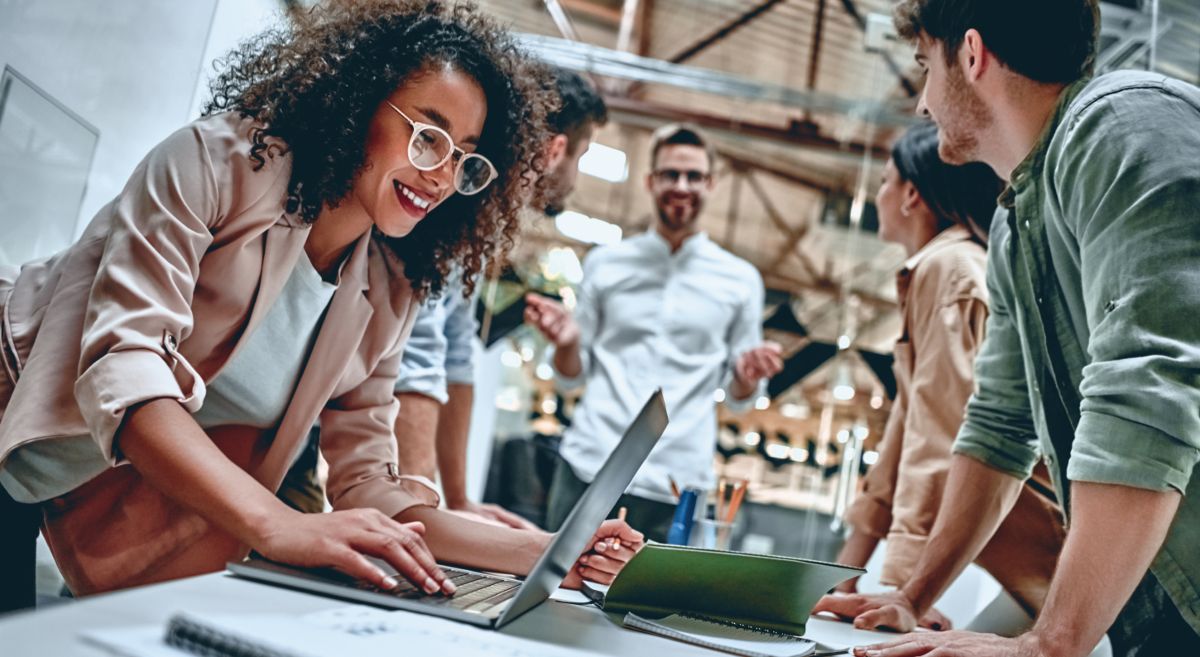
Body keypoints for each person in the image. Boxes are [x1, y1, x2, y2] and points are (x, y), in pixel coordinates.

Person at [0, 0, 640, 613]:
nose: (442, 176)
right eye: (427, 137)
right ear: (359, 103)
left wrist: (548, 551)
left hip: (82, 483)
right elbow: (126, 368)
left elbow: (368, 484)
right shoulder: (214, 165)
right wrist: (278, 524)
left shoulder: (390, 286)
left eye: (464, 159)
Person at [827, 1, 1200, 655]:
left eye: (926, 66)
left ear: (971, 55)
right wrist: (912, 597)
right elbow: (999, 425)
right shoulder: (1014, 222)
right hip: (1159, 602)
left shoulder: (1123, 124)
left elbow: (1147, 390)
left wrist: (1048, 644)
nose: (922, 103)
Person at [812, 122, 1065, 632]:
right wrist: (844, 577)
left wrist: (905, 591)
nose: (878, 195)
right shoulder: (941, 269)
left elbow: (941, 437)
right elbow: (902, 437)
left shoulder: (949, 270)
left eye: (885, 181)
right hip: (1034, 560)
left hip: (1054, 554)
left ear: (911, 195)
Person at [525, 123, 784, 542]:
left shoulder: (741, 281)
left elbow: (741, 399)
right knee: (557, 579)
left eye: (694, 176)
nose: (681, 186)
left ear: (711, 184)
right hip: (591, 464)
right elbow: (571, 376)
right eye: (670, 174)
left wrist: (746, 376)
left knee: (660, 589)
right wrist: (568, 343)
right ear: (650, 181)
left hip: (678, 481)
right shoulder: (606, 264)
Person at [390, 67, 608, 529]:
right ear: (555, 151)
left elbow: (456, 351)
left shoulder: (486, 220)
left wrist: (458, 500)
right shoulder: (456, 200)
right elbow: (419, 352)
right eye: (582, 156)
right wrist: (423, 512)